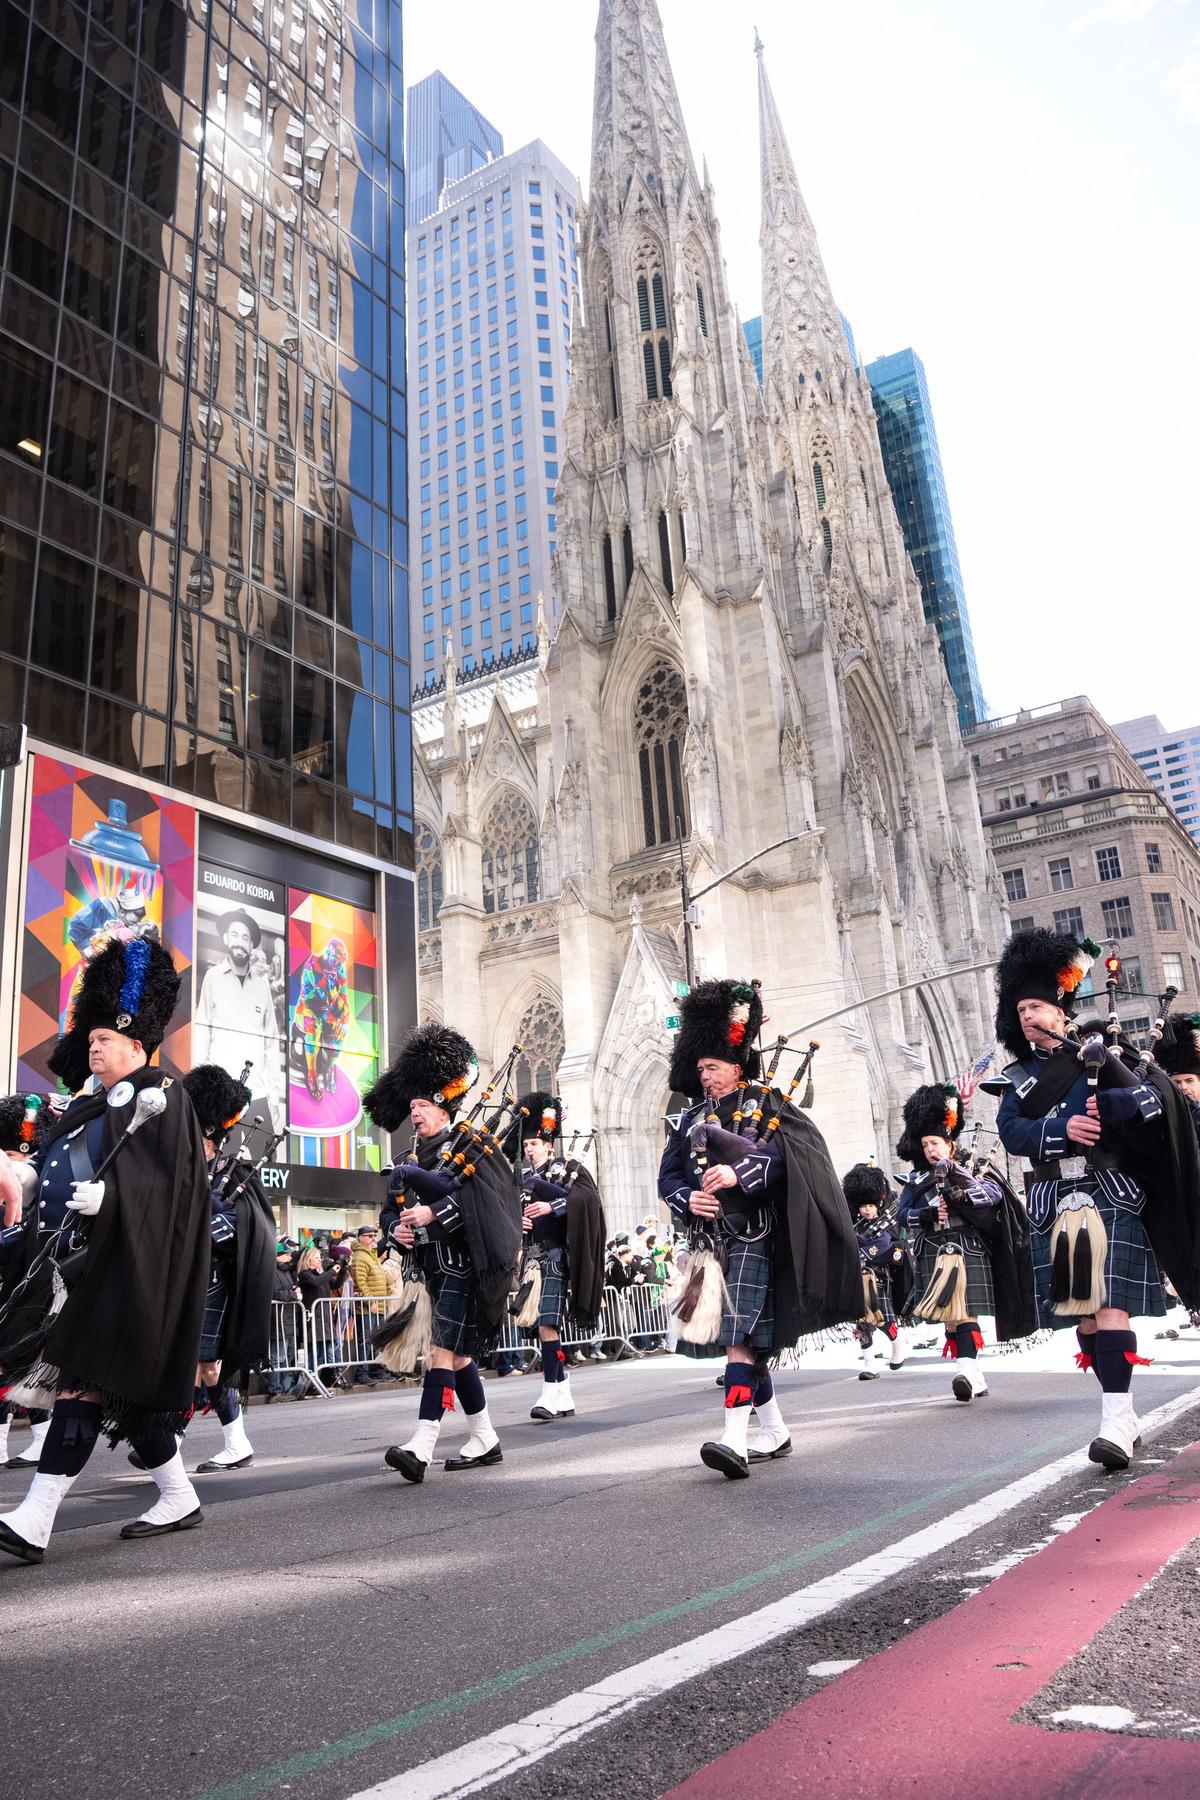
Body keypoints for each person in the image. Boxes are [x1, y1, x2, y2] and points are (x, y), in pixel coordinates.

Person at [0, 934, 212, 1564]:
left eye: (104, 1039)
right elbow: (57, 1162)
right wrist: (31, 1181)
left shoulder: (163, 1096)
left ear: (137, 1044)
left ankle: (36, 1519)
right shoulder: (91, 1104)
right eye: (90, 1039)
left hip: (124, 1270)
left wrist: (114, 1199)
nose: (93, 1048)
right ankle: (178, 1496)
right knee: (122, 1393)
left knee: (83, 1387)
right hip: (75, 1270)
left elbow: (176, 1191)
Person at [993, 927, 1200, 1470]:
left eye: (1036, 1006)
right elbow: (1012, 1132)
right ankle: (1121, 1412)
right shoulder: (1017, 1078)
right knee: (1084, 1317)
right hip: (1053, 1198)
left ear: (1060, 1009)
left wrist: (1118, 1102)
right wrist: (1061, 1131)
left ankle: (1115, 1418)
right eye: (1020, 1010)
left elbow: (1157, 1102)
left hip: (1108, 1192)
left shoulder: (1104, 1052)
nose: (1027, 1016)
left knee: (1109, 1307)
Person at [658, 978, 861, 1478]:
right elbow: (668, 1178)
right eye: (700, 1068)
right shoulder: (686, 1121)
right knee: (743, 1341)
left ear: (736, 1065)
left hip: (754, 1236)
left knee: (738, 1338)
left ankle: (734, 1440)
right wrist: (689, 1198)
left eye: (713, 1067)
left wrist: (738, 1174)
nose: (705, 1076)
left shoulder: (768, 1105)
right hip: (709, 1243)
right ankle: (774, 1430)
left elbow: (797, 1158)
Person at [366, 1024, 521, 1483]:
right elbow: (387, 1212)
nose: (415, 1113)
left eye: (423, 1106)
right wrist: (396, 1229)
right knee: (459, 1356)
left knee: (441, 1350)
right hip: (424, 1269)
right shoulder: (407, 1158)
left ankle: (422, 1444)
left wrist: (434, 1213)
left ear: (442, 1107)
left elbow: (490, 1201)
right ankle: (485, 1437)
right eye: (412, 1106)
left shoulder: (469, 1146)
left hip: (460, 1265)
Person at [895, 1083, 1035, 1403]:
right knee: (950, 1317)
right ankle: (974, 1376)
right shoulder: (916, 1180)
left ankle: (967, 1373)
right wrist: (927, 1214)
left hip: (967, 1245)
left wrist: (959, 1186)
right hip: (933, 1247)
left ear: (950, 1144)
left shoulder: (973, 1167)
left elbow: (993, 1196)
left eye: (935, 1143)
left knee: (965, 1312)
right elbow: (902, 1215)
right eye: (925, 1144)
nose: (930, 1150)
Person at [179, 1065, 277, 1471]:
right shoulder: (181, 1171)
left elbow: (251, 1225)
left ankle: (216, 1441)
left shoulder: (235, 1172)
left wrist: (205, 1230)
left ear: (212, 1137)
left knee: (204, 1363)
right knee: (186, 1362)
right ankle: (174, 1437)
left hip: (214, 1278)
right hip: (179, 1278)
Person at [507, 1092, 606, 1423]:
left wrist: (552, 1205)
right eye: (526, 1144)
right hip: (531, 1260)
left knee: (548, 1323)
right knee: (540, 1327)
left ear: (549, 1145)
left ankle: (549, 1392)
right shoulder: (521, 1179)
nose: (529, 1149)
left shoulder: (567, 1169)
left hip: (555, 1256)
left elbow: (588, 1200)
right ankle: (563, 1394)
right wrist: (518, 1221)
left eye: (535, 1143)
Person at [193, 907, 284, 1136]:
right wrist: (200, 1088)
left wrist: (274, 1096)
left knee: (265, 1155)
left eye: (245, 937)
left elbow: (271, 1042)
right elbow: (202, 1031)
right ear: (225, 938)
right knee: (220, 1154)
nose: (240, 942)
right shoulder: (213, 978)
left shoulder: (262, 986)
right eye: (235, 935)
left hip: (258, 1092)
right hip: (221, 1093)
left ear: (251, 945)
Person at [0, 1094, 55, 1467]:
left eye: (20, 1155)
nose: (15, 1163)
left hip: (27, 1282)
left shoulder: (41, 1190)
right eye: (8, 1154)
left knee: (22, 1362)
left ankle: (41, 1439)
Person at [843, 1163, 911, 1378]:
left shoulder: (885, 1225)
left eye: (871, 1205)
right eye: (863, 1206)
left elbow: (883, 1246)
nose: (867, 1209)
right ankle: (869, 1364)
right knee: (861, 1322)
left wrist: (860, 1248)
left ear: (877, 1204)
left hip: (878, 1277)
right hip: (857, 1277)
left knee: (881, 1319)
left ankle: (897, 1341)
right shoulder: (854, 1225)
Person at [292, 939, 351, 1103]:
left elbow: (343, 997)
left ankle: (330, 1066)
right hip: (308, 1008)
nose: (337, 965)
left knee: (339, 1038)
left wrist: (344, 1019)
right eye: (336, 961)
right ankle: (311, 1075)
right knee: (313, 1033)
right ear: (328, 954)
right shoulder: (312, 965)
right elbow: (311, 997)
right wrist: (327, 984)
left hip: (327, 1010)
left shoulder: (339, 969)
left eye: (340, 962)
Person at [348, 1225, 391, 1384]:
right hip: (368, 1309)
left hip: (378, 1306)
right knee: (366, 1342)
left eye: (374, 1235)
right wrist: (370, 1301)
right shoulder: (360, 1256)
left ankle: (378, 1370)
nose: (374, 1238)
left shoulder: (370, 1254)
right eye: (370, 1236)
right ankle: (362, 1373)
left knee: (377, 1340)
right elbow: (360, 1283)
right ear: (361, 1238)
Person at [264, 1240, 306, 1400]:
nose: (290, 1257)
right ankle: (275, 1389)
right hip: (277, 1320)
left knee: (287, 1355)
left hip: (288, 1320)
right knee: (277, 1357)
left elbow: (286, 1289)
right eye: (287, 1254)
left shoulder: (285, 1271)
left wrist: (295, 1289)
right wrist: (294, 1295)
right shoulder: (271, 1271)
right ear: (277, 1256)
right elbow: (275, 1293)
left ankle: (285, 1388)